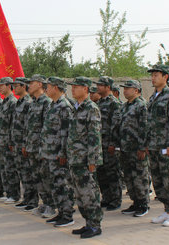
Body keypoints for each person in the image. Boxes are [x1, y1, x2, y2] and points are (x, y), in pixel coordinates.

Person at [147, 64, 169, 227]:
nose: (153, 78)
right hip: (154, 146)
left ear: (165, 77)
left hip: (166, 146)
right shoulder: (153, 97)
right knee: (159, 180)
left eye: (156, 75)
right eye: (152, 75)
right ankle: (167, 210)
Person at [67, 77, 104, 238]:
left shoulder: (91, 108)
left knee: (89, 193)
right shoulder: (77, 107)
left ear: (86, 89)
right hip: (75, 159)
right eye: (72, 87)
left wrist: (92, 160)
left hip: (85, 160)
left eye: (76, 87)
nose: (73, 90)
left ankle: (95, 225)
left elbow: (94, 136)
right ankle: (88, 222)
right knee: (80, 195)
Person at [40, 77, 75, 227]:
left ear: (56, 88)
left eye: (48, 86)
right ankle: (60, 212)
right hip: (49, 153)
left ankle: (67, 215)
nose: (46, 89)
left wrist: (63, 153)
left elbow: (67, 133)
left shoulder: (64, 106)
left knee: (63, 185)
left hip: (58, 154)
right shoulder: (52, 105)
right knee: (54, 185)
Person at [114, 80, 150, 217]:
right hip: (125, 148)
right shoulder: (124, 106)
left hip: (137, 149)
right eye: (124, 88)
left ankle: (143, 204)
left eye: (128, 88)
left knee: (140, 177)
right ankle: (135, 202)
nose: (125, 91)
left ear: (136, 90)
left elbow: (145, 127)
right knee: (129, 177)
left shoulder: (142, 105)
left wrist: (142, 147)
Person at [23, 74, 56, 217]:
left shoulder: (46, 102)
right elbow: (29, 127)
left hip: (41, 149)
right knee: (37, 178)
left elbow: (47, 128)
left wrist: (44, 149)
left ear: (40, 84)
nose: (29, 85)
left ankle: (51, 206)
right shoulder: (33, 102)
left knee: (46, 178)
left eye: (32, 83)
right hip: (32, 147)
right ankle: (45, 203)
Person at [96, 76, 123, 211]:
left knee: (112, 173)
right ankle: (106, 197)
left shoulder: (114, 103)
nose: (98, 87)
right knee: (101, 173)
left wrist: (113, 143)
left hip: (109, 144)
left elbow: (116, 125)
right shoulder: (99, 103)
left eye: (101, 85)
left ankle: (116, 199)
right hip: (99, 144)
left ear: (108, 87)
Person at [10, 77, 33, 209]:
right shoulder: (19, 102)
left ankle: (32, 200)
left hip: (24, 144)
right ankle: (26, 198)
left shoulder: (28, 103)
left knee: (27, 173)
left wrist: (25, 144)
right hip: (17, 143)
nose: (14, 88)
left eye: (16, 86)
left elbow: (28, 126)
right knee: (22, 172)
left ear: (23, 86)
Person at [0, 77, 19, 203]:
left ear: (9, 86)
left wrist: (11, 141)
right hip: (3, 140)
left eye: (2, 85)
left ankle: (14, 194)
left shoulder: (12, 102)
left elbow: (12, 124)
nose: (0, 87)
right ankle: (9, 192)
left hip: (9, 141)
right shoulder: (5, 101)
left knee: (11, 168)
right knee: (5, 167)